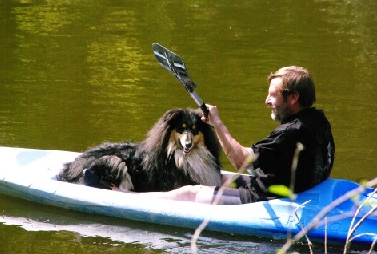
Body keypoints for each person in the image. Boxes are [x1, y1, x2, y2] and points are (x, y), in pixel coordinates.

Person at [138, 66, 335, 204]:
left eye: (273, 95)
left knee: (190, 192)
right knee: (220, 178)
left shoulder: (288, 133)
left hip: (266, 198)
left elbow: (241, 161)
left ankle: (130, 200)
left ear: (293, 98)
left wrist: (217, 123)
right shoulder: (319, 120)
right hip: (295, 186)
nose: (267, 101)